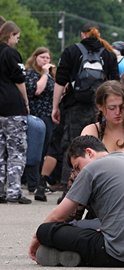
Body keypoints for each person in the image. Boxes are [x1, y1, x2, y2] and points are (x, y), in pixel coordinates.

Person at [28, 135, 124, 267]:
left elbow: (58, 216)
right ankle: (75, 256)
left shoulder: (91, 169)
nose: (77, 173)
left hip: (120, 255)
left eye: (77, 167)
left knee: (46, 230)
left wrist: (38, 236)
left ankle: (73, 255)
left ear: (89, 152)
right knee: (84, 226)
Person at [51, 22, 119, 200]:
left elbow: (60, 81)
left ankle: (69, 191)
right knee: (100, 146)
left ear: (82, 34)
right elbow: (116, 85)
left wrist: (55, 106)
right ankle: (100, 190)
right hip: (102, 107)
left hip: (76, 106)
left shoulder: (71, 51)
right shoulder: (109, 55)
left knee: (74, 146)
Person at [81, 80, 124, 165]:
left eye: (122, 107)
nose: (118, 112)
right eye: (112, 108)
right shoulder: (91, 131)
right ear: (100, 106)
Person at [0, 21, 31, 204]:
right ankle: (14, 191)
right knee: (16, 150)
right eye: (16, 37)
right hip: (12, 106)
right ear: (10, 35)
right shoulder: (11, 53)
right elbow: (20, 80)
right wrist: (26, 101)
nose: (17, 41)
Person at [21, 47, 55, 201]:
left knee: (46, 149)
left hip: (48, 116)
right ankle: (31, 182)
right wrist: (45, 74)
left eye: (48, 58)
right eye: (42, 57)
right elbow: (37, 90)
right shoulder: (31, 74)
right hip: (35, 116)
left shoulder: (50, 76)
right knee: (35, 149)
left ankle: (41, 181)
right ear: (35, 58)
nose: (46, 61)